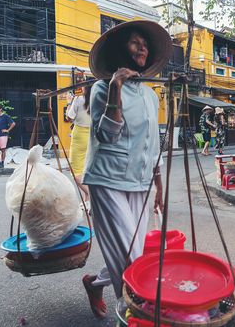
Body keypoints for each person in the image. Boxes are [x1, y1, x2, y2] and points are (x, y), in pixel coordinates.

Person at [81, 20, 171, 319]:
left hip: (141, 183)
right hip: (108, 181)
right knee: (131, 260)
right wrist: (115, 88)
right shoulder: (100, 89)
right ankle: (137, 316)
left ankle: (95, 284)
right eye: (135, 42)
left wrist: (158, 185)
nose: (142, 46)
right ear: (122, 51)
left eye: (144, 42)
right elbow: (107, 135)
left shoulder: (150, 95)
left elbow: (152, 142)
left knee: (132, 254)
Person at [66, 87, 92, 205]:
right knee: (85, 168)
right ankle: (87, 200)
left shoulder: (78, 99)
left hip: (80, 135)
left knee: (76, 171)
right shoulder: (98, 99)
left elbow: (69, 117)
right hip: (92, 135)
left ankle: (92, 197)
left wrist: (69, 102)